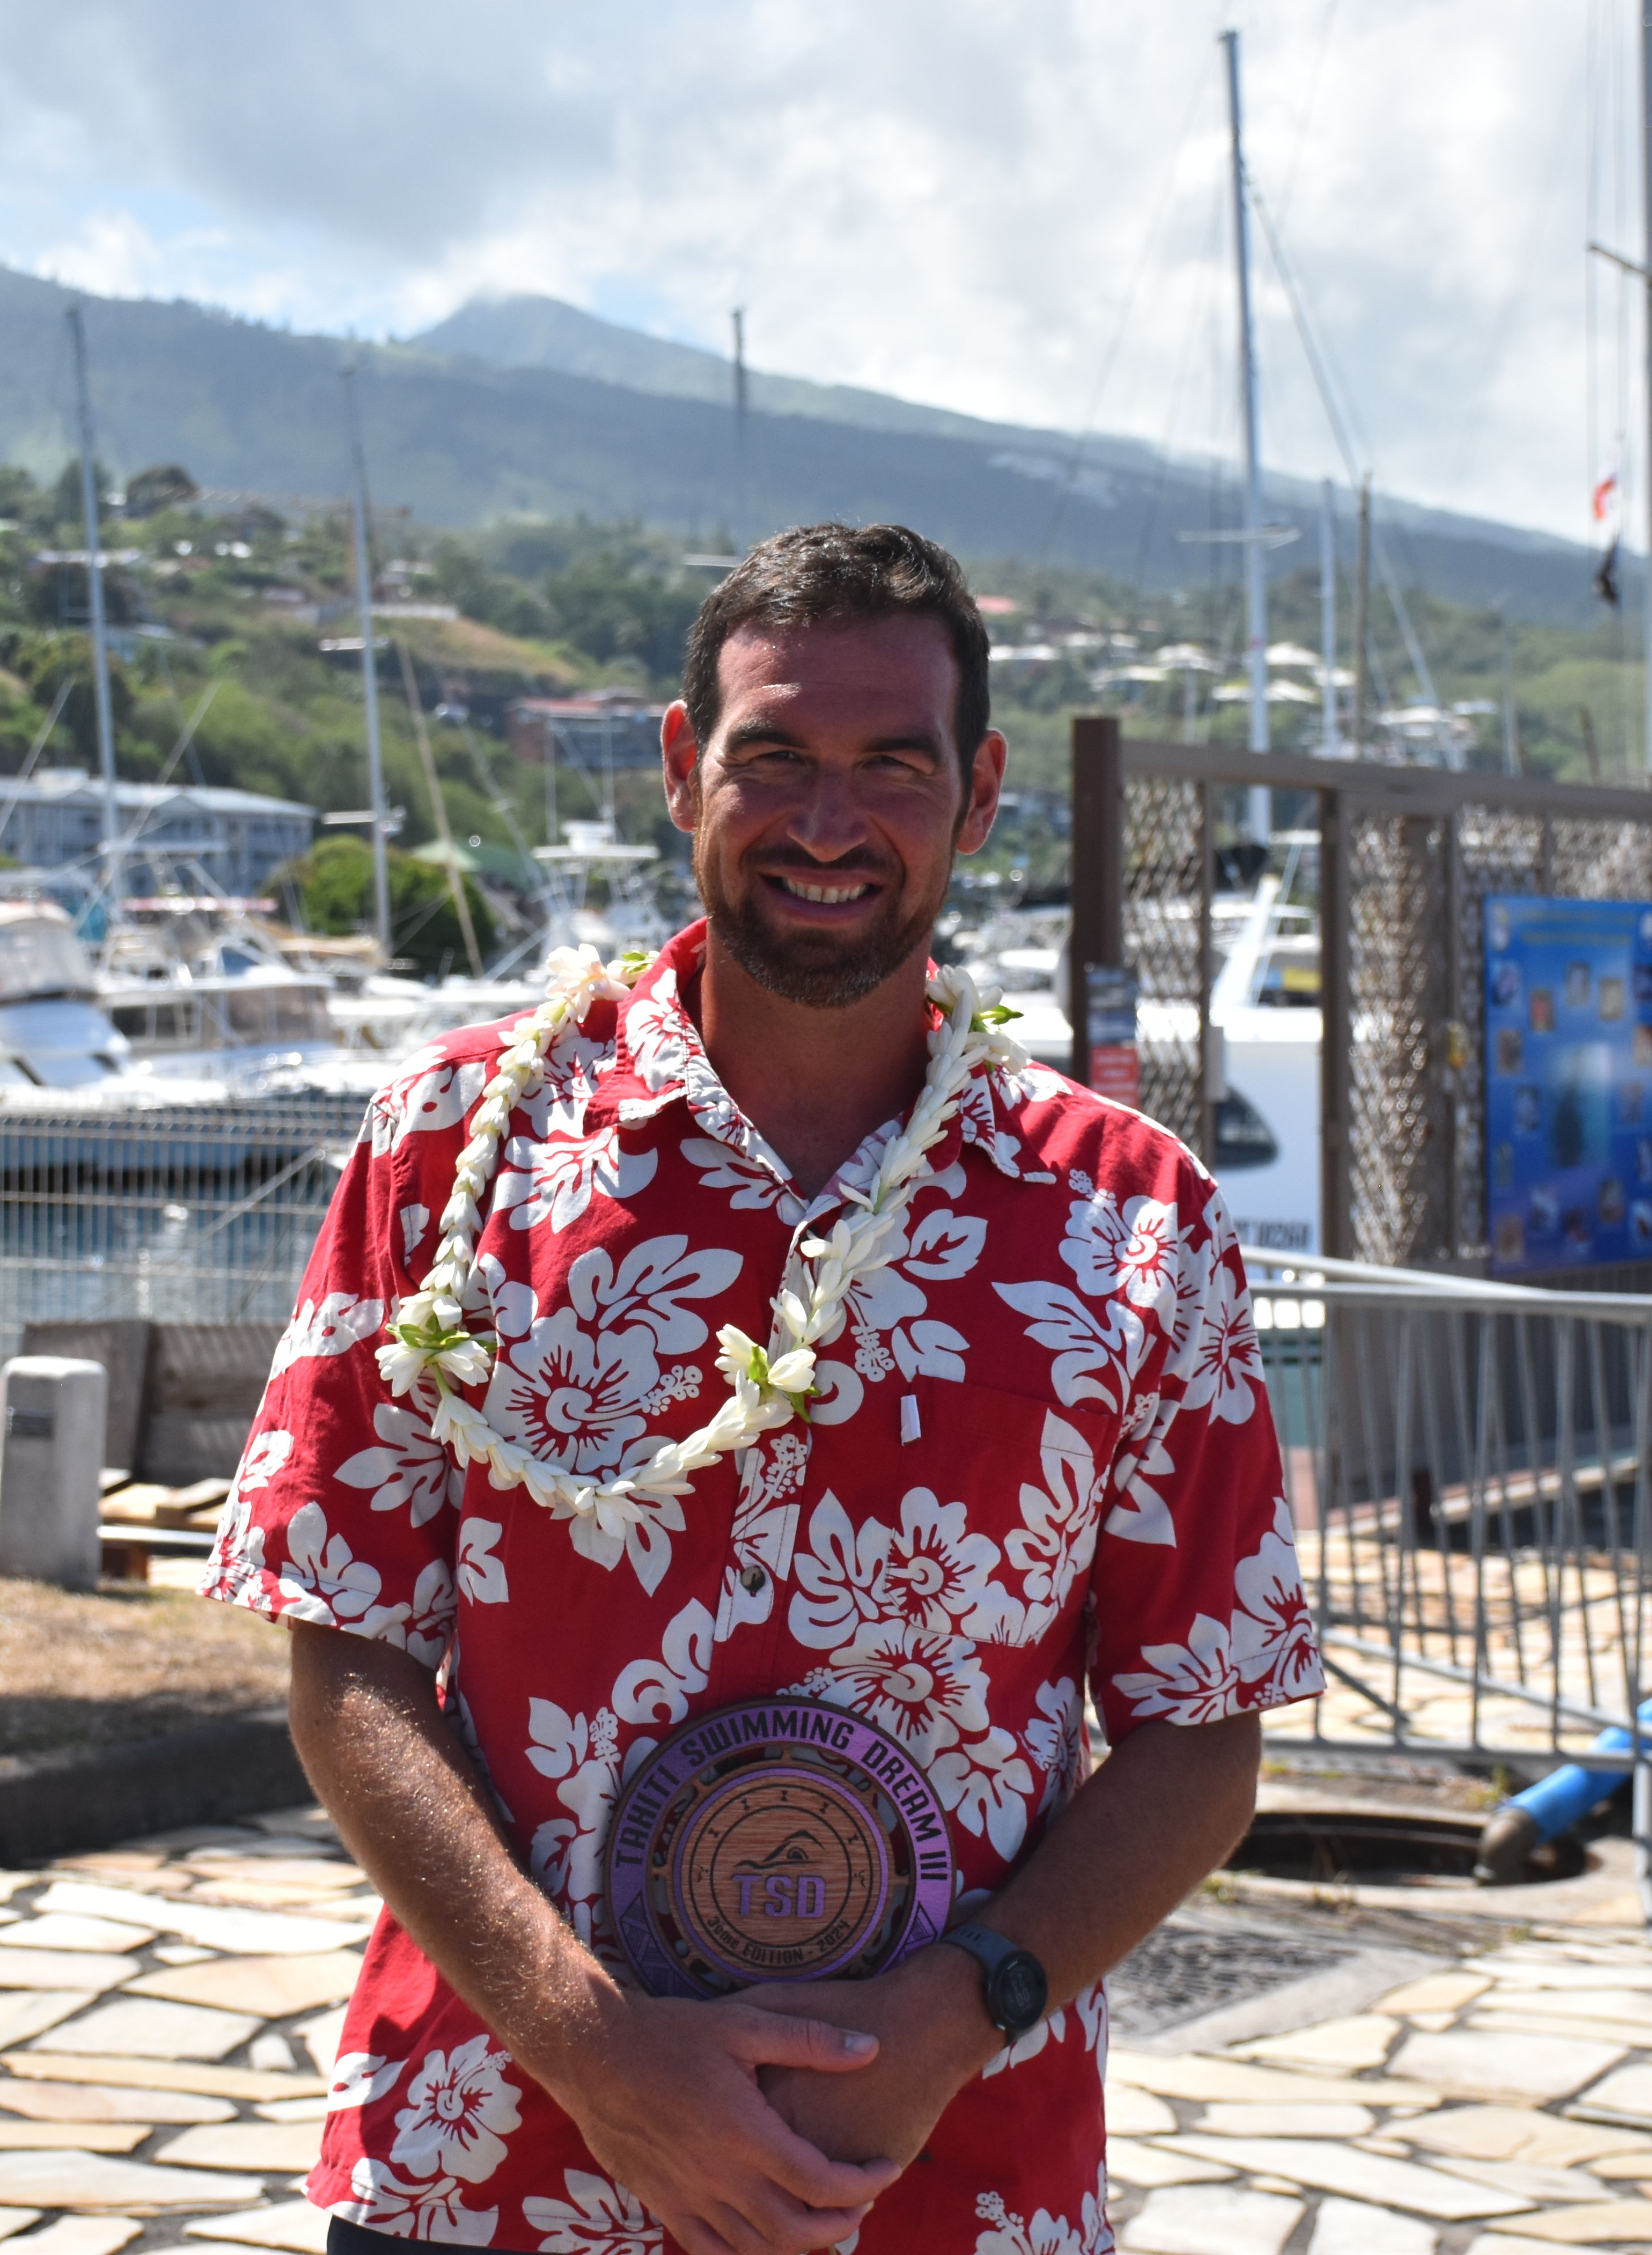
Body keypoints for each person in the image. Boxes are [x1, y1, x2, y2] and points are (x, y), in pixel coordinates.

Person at [202, 521, 1315, 2255]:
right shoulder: (450, 1150)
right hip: (487, 2161)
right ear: (678, 766)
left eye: (892, 766)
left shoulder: (1129, 1219)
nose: (826, 821)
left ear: (982, 791)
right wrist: (589, 2042)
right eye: (774, 758)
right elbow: (343, 1655)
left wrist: (950, 2019)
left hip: (942, 2177)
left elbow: (1203, 1730)